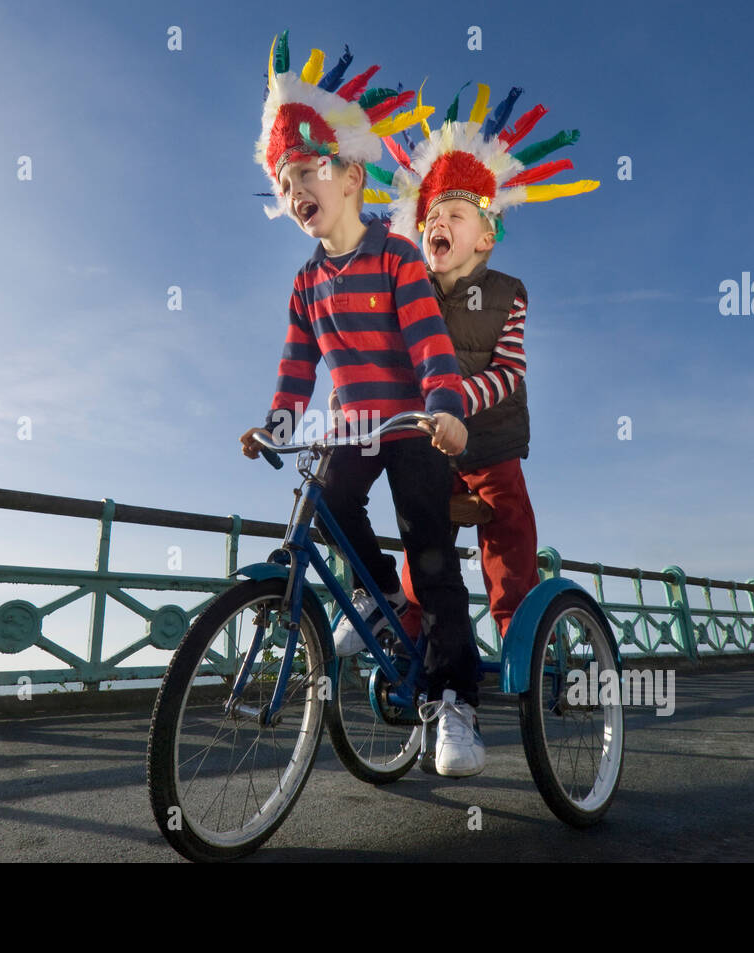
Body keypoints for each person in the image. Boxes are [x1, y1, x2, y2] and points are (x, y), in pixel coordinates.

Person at [238, 32, 485, 777]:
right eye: (284, 182)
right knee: (330, 497)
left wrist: (443, 408)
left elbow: (430, 344)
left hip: (411, 424)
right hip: (351, 426)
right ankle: (376, 598)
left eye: (308, 170)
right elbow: (297, 366)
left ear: (350, 177)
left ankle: (456, 708)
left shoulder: (396, 256)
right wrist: (277, 425)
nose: (295, 189)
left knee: (432, 553)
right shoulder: (306, 283)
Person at [371, 81, 601, 643]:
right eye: (430, 217)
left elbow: (509, 371)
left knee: (509, 527)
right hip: (429, 443)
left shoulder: (508, 292)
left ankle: (519, 632)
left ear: (486, 236)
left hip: (491, 439)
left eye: (454, 212)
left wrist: (454, 403)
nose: (438, 224)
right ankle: (417, 636)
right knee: (420, 539)